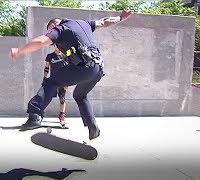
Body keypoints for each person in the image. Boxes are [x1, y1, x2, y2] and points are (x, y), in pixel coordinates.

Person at [9, 9, 133, 140]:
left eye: (50, 31)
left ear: (53, 26)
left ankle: (35, 115)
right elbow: (104, 22)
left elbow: (40, 42)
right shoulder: (84, 23)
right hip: (98, 69)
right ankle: (92, 127)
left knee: (51, 82)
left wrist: (20, 50)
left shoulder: (60, 29)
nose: (52, 38)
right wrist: (121, 17)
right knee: (80, 95)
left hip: (85, 66)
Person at [43, 44, 68, 127]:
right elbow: (46, 68)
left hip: (63, 81)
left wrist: (68, 82)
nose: (59, 47)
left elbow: (69, 68)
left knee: (62, 99)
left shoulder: (65, 56)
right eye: (57, 45)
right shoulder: (50, 56)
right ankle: (40, 113)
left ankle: (62, 116)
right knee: (46, 97)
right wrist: (44, 78)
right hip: (52, 81)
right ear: (54, 46)